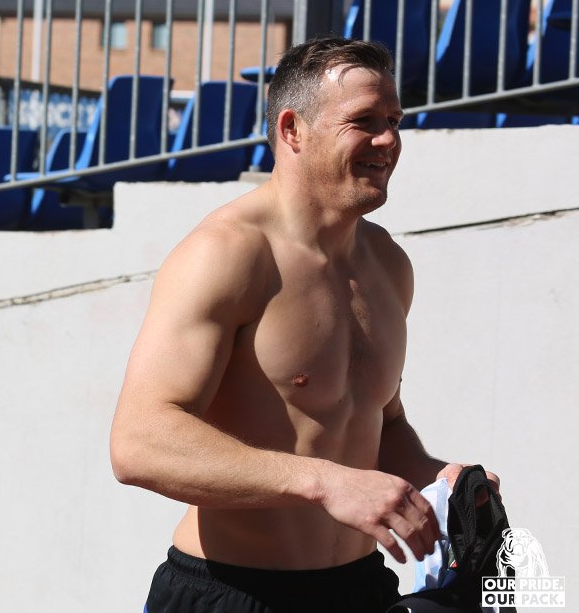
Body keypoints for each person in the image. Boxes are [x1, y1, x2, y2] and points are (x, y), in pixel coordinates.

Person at [109, 37, 499, 613]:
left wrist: (439, 478)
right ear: (293, 129)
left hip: (358, 589)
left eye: (394, 120)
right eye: (363, 122)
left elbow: (376, 423)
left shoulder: (388, 265)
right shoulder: (228, 255)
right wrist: (327, 482)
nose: (389, 141)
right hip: (234, 594)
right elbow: (137, 444)